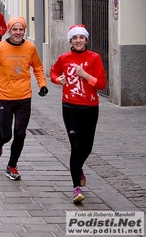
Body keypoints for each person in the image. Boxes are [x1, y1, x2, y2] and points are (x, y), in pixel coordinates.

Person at [0, 16, 48, 181]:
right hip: (4, 97)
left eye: (21, 30)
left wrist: (42, 84)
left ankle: (12, 165)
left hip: (24, 97)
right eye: (14, 29)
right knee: (6, 135)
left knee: (20, 133)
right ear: (9, 30)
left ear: (24, 31)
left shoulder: (30, 48)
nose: (18, 33)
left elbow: (38, 67)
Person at [50, 25, 106, 204]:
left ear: (86, 40)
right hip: (70, 107)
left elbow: (102, 84)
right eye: (75, 38)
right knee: (76, 146)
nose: (79, 41)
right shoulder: (64, 58)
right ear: (71, 41)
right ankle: (76, 188)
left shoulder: (95, 58)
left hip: (90, 108)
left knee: (87, 148)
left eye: (82, 38)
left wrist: (85, 75)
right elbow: (53, 72)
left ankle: (78, 167)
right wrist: (59, 79)